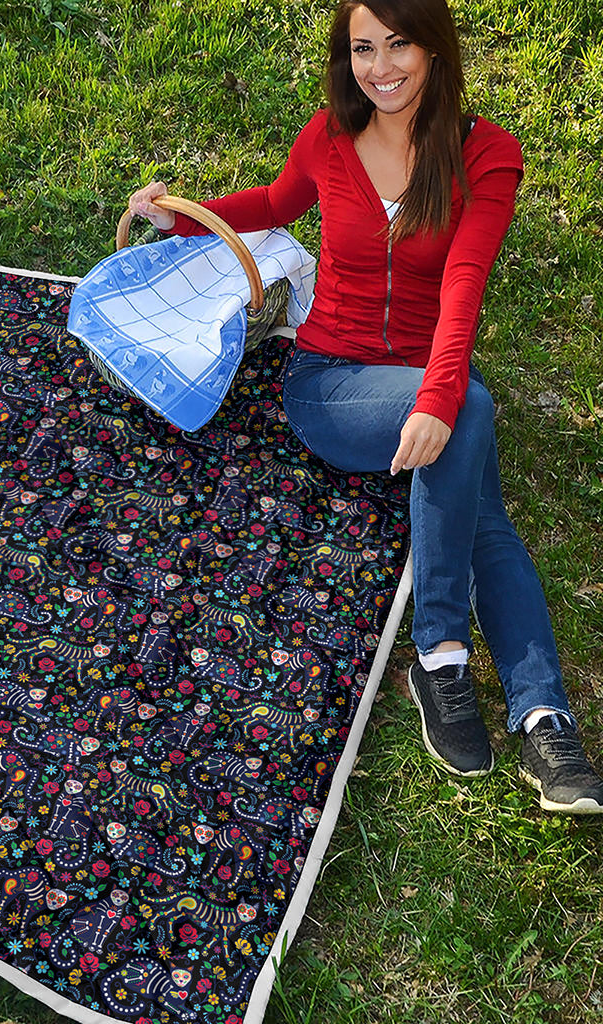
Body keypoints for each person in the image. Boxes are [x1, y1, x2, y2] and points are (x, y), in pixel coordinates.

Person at [127, 0, 603, 814]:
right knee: (473, 419)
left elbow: (464, 284)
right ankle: (446, 654)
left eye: (399, 44)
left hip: (423, 378)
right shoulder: (329, 137)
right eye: (362, 49)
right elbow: (275, 204)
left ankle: (538, 714)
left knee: (477, 475)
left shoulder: (486, 155)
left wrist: (440, 397)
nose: (380, 67)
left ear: (435, 49)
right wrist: (182, 221)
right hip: (331, 384)